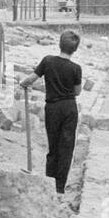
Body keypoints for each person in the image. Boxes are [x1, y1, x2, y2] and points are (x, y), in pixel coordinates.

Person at [20, 29, 82, 196]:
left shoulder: (47, 61)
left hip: (52, 108)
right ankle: (60, 187)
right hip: (69, 108)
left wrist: (23, 84)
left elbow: (30, 79)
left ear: (59, 44)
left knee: (53, 145)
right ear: (75, 49)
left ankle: (49, 182)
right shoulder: (76, 68)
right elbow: (77, 92)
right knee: (66, 147)